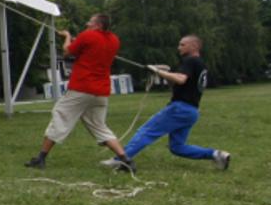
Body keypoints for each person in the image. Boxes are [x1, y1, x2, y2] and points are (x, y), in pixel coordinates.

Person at [24, 13, 134, 170]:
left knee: (60, 116)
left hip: (82, 87)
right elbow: (91, 49)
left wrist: (67, 36)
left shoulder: (87, 35)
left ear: (98, 25)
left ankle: (40, 159)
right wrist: (79, 40)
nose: (87, 24)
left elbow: (67, 52)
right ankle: (126, 160)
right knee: (99, 126)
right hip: (101, 91)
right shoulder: (114, 40)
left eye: (90, 22)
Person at [116, 34, 231, 169]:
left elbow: (180, 79)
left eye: (182, 44)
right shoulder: (200, 63)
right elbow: (178, 84)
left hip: (179, 108)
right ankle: (217, 154)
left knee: (147, 131)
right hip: (191, 111)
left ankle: (121, 160)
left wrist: (158, 71)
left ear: (194, 46)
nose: (179, 48)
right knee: (177, 147)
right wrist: (163, 72)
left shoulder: (191, 61)